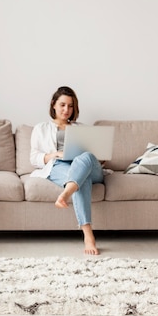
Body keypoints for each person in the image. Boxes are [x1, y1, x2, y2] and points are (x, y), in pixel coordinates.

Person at [29, 86, 104, 255]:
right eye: (62, 105)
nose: (66, 110)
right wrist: (54, 154)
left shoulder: (82, 128)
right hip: (59, 165)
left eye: (70, 106)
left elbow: (96, 156)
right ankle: (88, 235)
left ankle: (65, 194)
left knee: (83, 158)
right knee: (80, 179)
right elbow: (34, 158)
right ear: (53, 104)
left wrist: (100, 154)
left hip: (88, 166)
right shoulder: (41, 128)